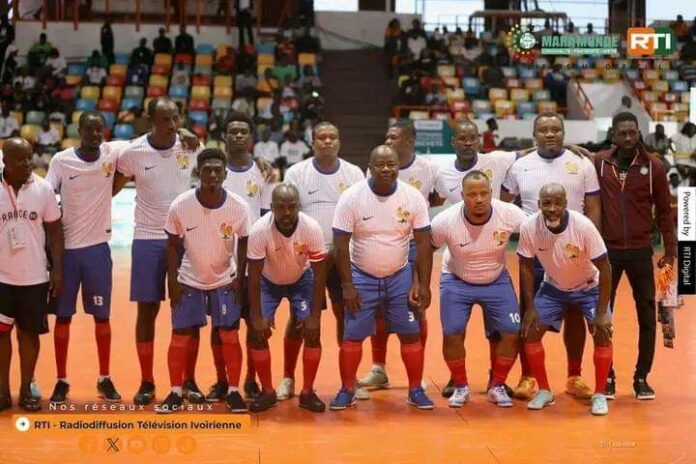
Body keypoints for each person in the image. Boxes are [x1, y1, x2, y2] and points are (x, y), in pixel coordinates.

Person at [501, 112, 602, 401]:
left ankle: (574, 376)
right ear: (534, 135)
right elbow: (503, 204)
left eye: (555, 129)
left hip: (574, 250)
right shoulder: (520, 165)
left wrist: (590, 248)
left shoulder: (581, 162)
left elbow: (593, 207)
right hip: (536, 251)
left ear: (563, 133)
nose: (549, 134)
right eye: (543, 130)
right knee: (529, 314)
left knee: (573, 312)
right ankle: (528, 376)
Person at [112, 98, 204, 406]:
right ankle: (147, 381)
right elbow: (109, 188)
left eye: (176, 118)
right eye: (165, 119)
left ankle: (188, 380)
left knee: (188, 314)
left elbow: (215, 173)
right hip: (148, 238)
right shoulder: (133, 153)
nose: (172, 125)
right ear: (150, 120)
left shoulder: (192, 146)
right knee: (147, 311)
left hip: (186, 239)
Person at [329, 145, 433, 411]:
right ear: (370, 167)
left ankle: (414, 389)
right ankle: (347, 389)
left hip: (399, 275)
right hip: (361, 276)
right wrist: (347, 285)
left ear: (399, 166)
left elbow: (423, 244)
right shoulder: (352, 197)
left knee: (410, 334)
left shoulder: (412, 197)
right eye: (380, 165)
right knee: (352, 337)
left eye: (391, 164)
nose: (386, 169)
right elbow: (340, 244)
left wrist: (422, 282)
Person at [44, 112, 131, 405]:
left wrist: (182, 135)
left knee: (102, 319)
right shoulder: (61, 160)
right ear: (78, 130)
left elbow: (146, 144)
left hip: (97, 251)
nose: (95, 134)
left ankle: (104, 377)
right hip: (66, 253)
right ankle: (61, 380)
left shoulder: (112, 152)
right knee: (63, 318)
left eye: (99, 129)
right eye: (89, 129)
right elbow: (45, 195)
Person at [155, 148, 251, 414]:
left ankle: (233, 391)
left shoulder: (238, 207)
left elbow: (244, 243)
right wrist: (172, 281)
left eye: (217, 170)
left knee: (229, 336)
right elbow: (172, 245)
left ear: (225, 174)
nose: (212, 175)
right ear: (198, 173)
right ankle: (176, 391)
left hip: (224, 279)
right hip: (189, 278)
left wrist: (240, 280)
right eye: (206, 170)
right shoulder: (181, 205)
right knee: (180, 337)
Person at [594, 112, 676, 400]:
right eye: (622, 133)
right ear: (613, 135)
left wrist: (671, 251)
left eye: (633, 133)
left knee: (648, 317)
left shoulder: (654, 167)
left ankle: (642, 377)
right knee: (603, 315)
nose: (628, 138)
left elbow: (665, 213)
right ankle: (608, 376)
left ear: (638, 133)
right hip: (608, 253)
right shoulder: (599, 163)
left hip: (642, 252)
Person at [282, 122, 364, 401]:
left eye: (332, 137)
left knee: (346, 315)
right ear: (312, 142)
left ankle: (350, 381)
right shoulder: (296, 173)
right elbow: (289, 217)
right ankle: (288, 378)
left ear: (339, 142)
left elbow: (359, 218)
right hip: (307, 259)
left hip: (343, 257)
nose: (327, 141)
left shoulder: (353, 173)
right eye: (321, 138)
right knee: (299, 318)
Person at [432, 171, 526, 407]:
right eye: (472, 194)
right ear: (462, 195)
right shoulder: (445, 221)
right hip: (456, 279)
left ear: (491, 193)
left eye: (484, 193)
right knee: (452, 332)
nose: (479, 199)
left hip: (496, 279)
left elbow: (536, 234)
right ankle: (461, 385)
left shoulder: (510, 214)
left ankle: (497, 384)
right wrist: (419, 284)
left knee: (511, 331)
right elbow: (424, 250)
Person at [358, 121, 439, 394]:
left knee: (416, 308)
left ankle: (418, 374)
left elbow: (438, 197)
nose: (388, 140)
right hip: (381, 244)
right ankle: (378, 369)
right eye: (386, 136)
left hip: (413, 245)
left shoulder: (427, 169)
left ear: (410, 141)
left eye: (394, 136)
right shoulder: (372, 168)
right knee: (379, 310)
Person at [518, 184, 613, 416]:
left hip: (589, 286)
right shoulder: (530, 226)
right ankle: (544, 391)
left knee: (602, 333)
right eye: (547, 203)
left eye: (557, 203)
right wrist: (529, 308)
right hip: (553, 288)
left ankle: (600, 394)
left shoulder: (583, 226)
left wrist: (601, 313)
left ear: (565, 203)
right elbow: (526, 267)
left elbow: (606, 269)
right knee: (531, 332)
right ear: (539, 204)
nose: (552, 208)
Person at [246, 184, 328, 412]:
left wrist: (314, 315)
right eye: (280, 208)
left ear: (298, 207)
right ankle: (268, 391)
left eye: (291, 207)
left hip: (301, 279)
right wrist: (256, 316)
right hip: (267, 281)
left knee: (312, 332)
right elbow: (252, 274)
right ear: (271, 208)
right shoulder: (260, 230)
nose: (286, 213)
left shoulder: (311, 228)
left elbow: (320, 272)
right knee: (256, 332)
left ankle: (307, 392)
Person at [209, 113, 273, 403]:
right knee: (221, 327)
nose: (237, 136)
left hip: (254, 263)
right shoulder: (213, 170)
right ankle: (222, 380)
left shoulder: (263, 172)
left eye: (243, 132)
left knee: (254, 325)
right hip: (219, 263)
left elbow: (266, 217)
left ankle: (250, 378)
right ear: (224, 137)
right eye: (232, 132)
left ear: (251, 139)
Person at [0, 137, 63, 412]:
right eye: (20, 158)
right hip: (1, 278)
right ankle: (2, 391)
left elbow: (55, 231)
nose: (27, 163)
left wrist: (58, 269)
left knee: (28, 335)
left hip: (34, 277)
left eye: (30, 157)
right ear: (5, 161)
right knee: (1, 336)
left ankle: (27, 388)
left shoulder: (44, 189)